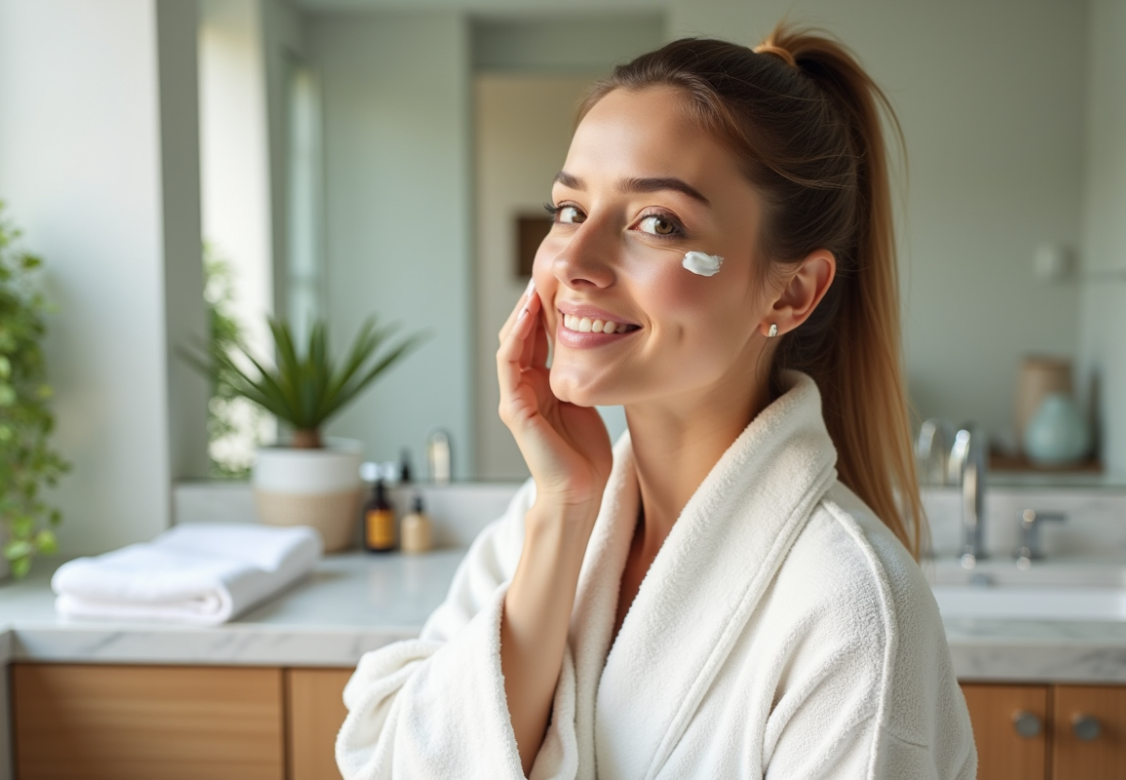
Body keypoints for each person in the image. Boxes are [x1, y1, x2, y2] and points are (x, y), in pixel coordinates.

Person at [336, 23, 977, 780]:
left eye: (657, 223)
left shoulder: (853, 612)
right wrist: (563, 510)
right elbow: (389, 758)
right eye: (569, 210)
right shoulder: (544, 523)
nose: (571, 260)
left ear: (792, 291)